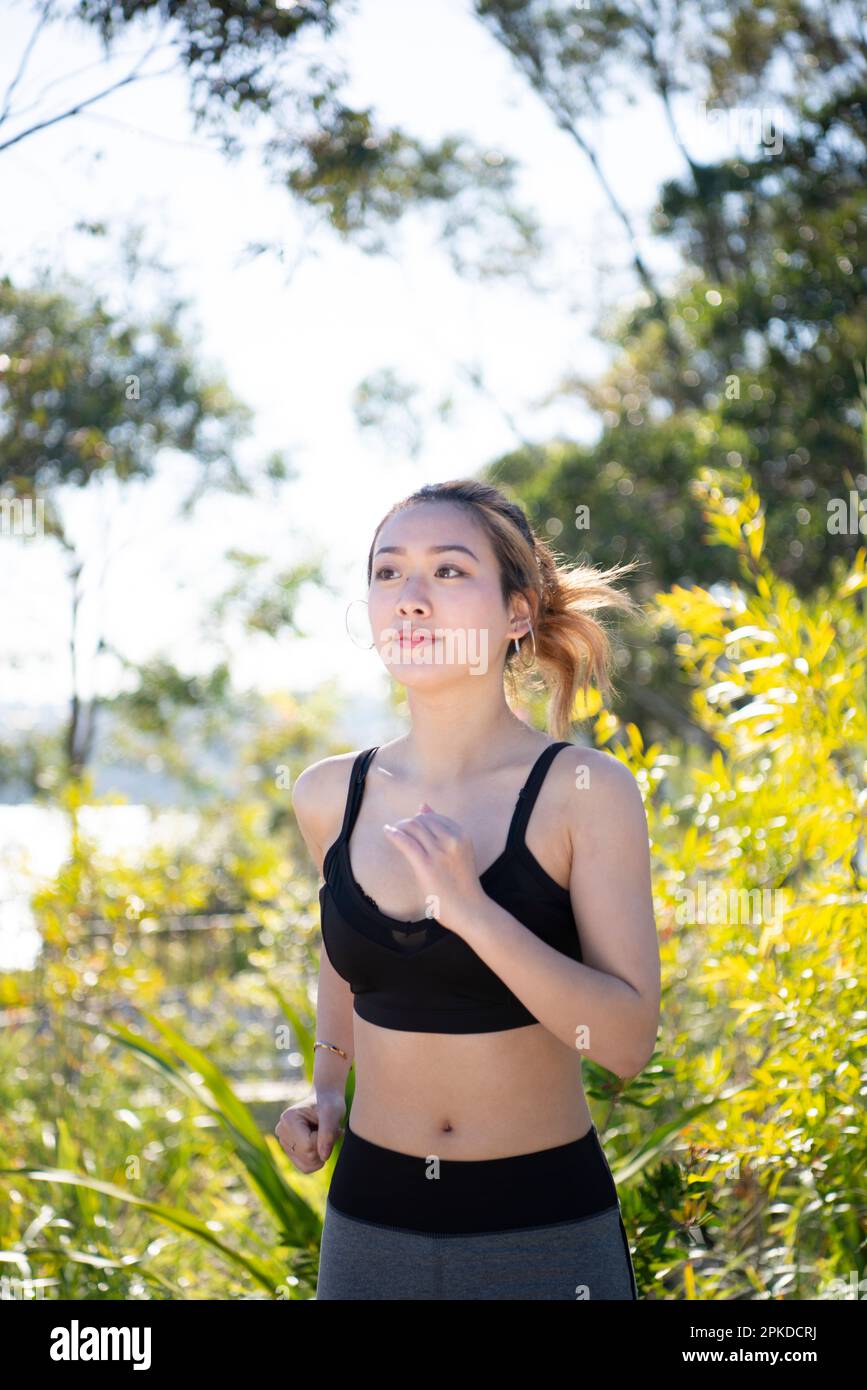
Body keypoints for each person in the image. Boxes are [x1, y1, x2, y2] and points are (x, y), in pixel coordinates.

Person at [277, 478, 660, 1300]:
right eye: (388, 574)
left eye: (448, 572)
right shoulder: (327, 795)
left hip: (543, 1229)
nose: (409, 600)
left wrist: (475, 913)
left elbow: (623, 1043)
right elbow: (344, 963)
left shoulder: (581, 790)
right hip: (369, 1226)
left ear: (516, 613)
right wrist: (325, 1090)